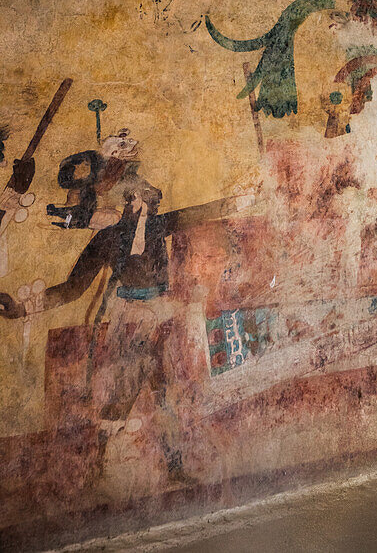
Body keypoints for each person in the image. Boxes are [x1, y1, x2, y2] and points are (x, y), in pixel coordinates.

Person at [0, 132, 249, 486]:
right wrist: (23, 309)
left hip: (158, 315)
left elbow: (197, 213)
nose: (146, 204)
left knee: (159, 390)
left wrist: (239, 200)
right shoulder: (107, 239)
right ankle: (103, 466)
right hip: (130, 319)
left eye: (150, 200)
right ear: (127, 203)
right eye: (138, 199)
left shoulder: (159, 225)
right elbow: (72, 289)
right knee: (131, 389)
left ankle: (165, 467)